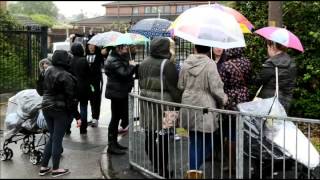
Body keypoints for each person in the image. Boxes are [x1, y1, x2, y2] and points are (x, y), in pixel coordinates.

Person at [178, 44, 228, 177]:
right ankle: (194, 171)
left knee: (194, 140)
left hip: (188, 103)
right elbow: (216, 88)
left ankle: (194, 171)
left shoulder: (186, 63)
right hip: (205, 105)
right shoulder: (210, 64)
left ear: (195, 48)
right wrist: (224, 99)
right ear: (209, 49)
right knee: (208, 140)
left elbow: (180, 84)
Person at [138, 37, 182, 178]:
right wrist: (180, 104)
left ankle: (156, 165)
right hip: (166, 104)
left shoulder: (143, 63)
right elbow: (174, 89)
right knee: (165, 136)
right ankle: (163, 169)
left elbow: (140, 83)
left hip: (147, 102)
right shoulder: (167, 64)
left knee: (149, 134)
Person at [39, 50, 81, 177]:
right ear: (65, 60)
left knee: (53, 137)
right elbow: (72, 98)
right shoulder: (66, 76)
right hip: (59, 110)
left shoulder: (48, 71)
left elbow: (40, 89)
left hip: (46, 107)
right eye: (68, 58)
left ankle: (44, 167)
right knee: (57, 139)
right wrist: (77, 116)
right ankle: (55, 169)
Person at [218, 47, 252, 172]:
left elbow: (221, 84)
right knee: (239, 129)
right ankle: (239, 161)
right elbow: (250, 79)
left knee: (229, 131)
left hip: (231, 100)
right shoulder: (247, 62)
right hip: (244, 97)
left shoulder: (226, 65)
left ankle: (232, 164)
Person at [104, 44, 138, 155]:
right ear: (118, 48)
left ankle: (114, 143)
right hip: (117, 93)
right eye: (124, 47)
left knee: (117, 117)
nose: (126, 49)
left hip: (120, 91)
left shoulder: (118, 57)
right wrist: (131, 66)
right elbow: (124, 73)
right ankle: (111, 145)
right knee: (115, 119)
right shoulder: (114, 59)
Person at [255, 40, 296, 112]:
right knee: (279, 122)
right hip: (286, 101)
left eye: (268, 47)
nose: (267, 50)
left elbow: (259, 81)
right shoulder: (292, 63)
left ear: (273, 46)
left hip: (269, 101)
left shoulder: (271, 63)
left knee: (267, 122)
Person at [67, 42, 91, 135]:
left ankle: (67, 128)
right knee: (83, 108)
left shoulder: (70, 61)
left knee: (72, 108)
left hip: (73, 87)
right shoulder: (84, 60)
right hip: (83, 88)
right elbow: (89, 74)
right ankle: (83, 129)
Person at [86, 43, 104, 127]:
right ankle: (92, 117)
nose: (91, 46)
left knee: (95, 100)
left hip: (95, 82)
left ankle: (95, 118)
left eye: (92, 45)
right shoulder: (85, 55)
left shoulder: (99, 55)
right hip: (87, 82)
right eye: (89, 45)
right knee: (90, 101)